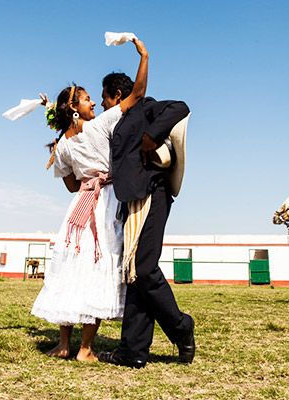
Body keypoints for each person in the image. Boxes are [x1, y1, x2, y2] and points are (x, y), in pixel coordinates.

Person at [31, 38, 149, 362]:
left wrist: (85, 177)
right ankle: (85, 349)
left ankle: (63, 344)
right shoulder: (100, 126)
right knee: (99, 268)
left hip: (79, 206)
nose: (94, 104)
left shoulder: (62, 148)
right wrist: (144, 55)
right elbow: (137, 95)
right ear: (74, 108)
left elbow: (70, 186)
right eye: (86, 100)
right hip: (105, 202)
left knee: (70, 267)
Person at [96, 72, 194, 368]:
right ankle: (133, 351)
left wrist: (151, 137)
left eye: (104, 98)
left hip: (153, 193)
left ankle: (181, 327)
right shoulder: (115, 122)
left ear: (116, 94)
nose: (102, 104)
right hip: (131, 200)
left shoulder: (145, 107)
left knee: (143, 268)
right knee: (134, 274)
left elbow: (180, 107)